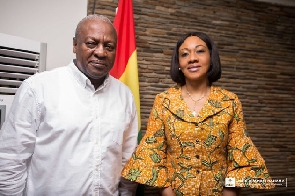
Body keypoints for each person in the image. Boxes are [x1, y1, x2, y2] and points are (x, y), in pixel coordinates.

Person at [121, 32, 274, 196]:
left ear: (211, 57)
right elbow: (152, 153)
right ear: (179, 63)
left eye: (199, 51)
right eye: (184, 54)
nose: (192, 58)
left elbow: (239, 156)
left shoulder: (230, 101)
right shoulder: (163, 101)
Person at [0, 14, 138, 196]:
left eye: (109, 46)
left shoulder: (125, 96)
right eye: (91, 43)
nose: (101, 52)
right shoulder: (37, 88)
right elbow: (11, 159)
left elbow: (128, 160)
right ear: (75, 45)